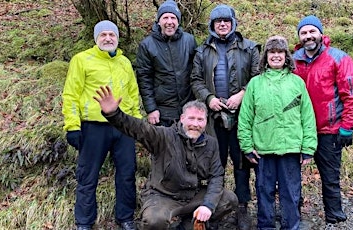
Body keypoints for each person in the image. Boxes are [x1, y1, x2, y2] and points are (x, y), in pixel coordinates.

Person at [92, 86, 238, 230]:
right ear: (182, 119)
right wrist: (114, 114)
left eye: (200, 119)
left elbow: (216, 176)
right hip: (163, 196)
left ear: (206, 122)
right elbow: (138, 128)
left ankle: (187, 225)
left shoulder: (211, 143)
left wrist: (208, 205)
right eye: (191, 118)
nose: (195, 124)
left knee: (229, 199)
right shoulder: (163, 136)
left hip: (192, 195)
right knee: (154, 221)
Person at [62, 20, 141, 230]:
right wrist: (72, 126)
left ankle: (125, 218)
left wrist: (137, 125)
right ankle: (84, 222)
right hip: (93, 127)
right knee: (88, 175)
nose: (108, 38)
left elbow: (133, 94)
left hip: (123, 126)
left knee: (127, 174)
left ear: (117, 38)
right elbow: (71, 94)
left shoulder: (124, 62)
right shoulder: (82, 60)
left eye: (112, 35)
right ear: (96, 38)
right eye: (103, 35)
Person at [190, 4, 260, 229]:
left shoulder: (249, 48)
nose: (222, 24)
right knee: (214, 164)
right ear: (212, 25)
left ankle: (242, 208)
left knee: (241, 164)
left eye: (226, 20)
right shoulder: (202, 51)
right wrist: (208, 98)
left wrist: (242, 94)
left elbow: (258, 76)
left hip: (242, 117)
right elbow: (195, 80)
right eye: (217, 21)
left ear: (233, 23)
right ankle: (213, 209)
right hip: (213, 118)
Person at [237, 35, 317, 230]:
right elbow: (245, 117)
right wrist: (247, 146)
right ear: (266, 56)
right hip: (263, 150)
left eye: (280, 52)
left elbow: (307, 116)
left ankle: (291, 226)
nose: (276, 56)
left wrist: (308, 147)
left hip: (290, 149)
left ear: (286, 56)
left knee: (291, 192)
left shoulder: (297, 82)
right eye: (272, 52)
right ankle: (266, 226)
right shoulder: (255, 83)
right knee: (264, 191)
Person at [293, 15, 353, 229]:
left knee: (330, 176)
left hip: (328, 129)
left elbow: (351, 95)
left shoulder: (339, 58)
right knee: (292, 176)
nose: (308, 36)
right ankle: (293, 213)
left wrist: (347, 127)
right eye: (303, 33)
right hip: (298, 129)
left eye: (312, 31)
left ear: (321, 33)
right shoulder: (293, 60)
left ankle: (333, 216)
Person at [136, 0, 197, 127]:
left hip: (188, 106)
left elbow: (196, 73)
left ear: (178, 21)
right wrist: (151, 109)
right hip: (163, 110)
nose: (169, 22)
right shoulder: (147, 45)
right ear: (159, 21)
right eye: (165, 18)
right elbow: (144, 79)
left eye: (173, 18)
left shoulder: (189, 41)